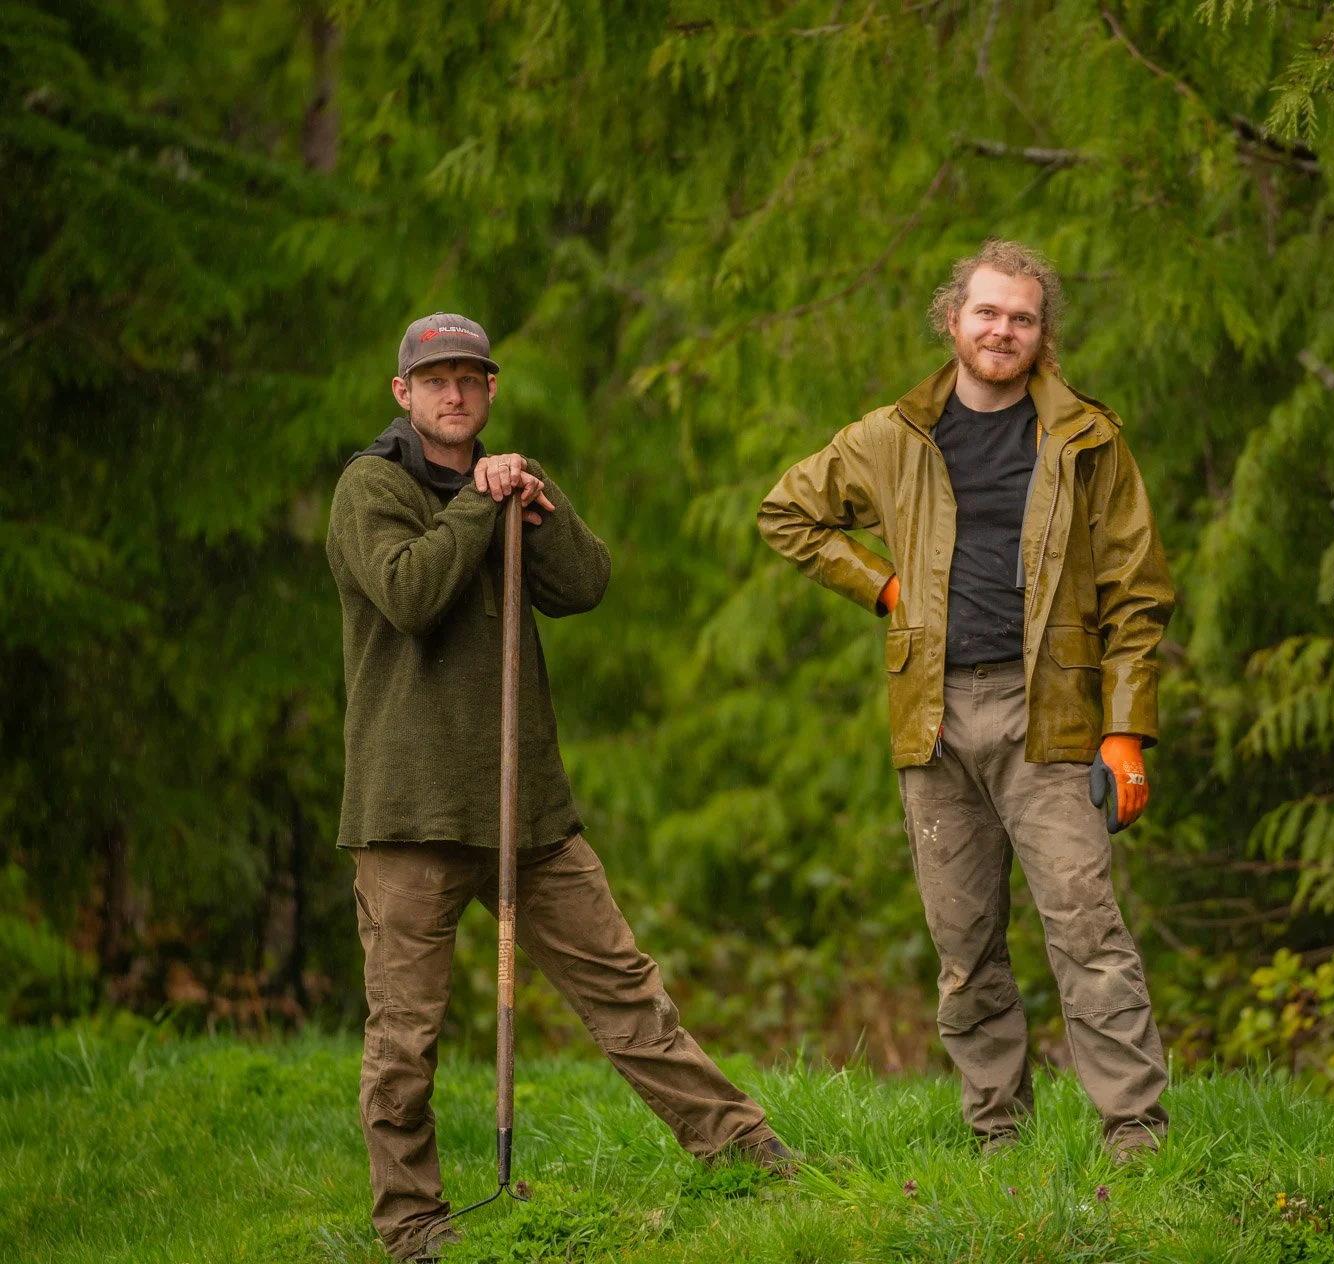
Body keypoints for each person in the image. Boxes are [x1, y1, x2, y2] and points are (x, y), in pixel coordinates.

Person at [328, 314, 791, 1261]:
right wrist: (474, 507)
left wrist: (536, 503)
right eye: (435, 381)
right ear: (403, 394)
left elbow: (584, 584)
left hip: (524, 807)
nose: (454, 396)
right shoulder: (369, 488)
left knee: (627, 993)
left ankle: (745, 1152)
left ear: (491, 391)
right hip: (409, 813)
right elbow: (411, 595)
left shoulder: (508, 487)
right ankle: (413, 1223)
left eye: (470, 380)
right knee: (406, 1040)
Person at [758, 241, 1175, 1162]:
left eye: (1022, 318)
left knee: (1087, 931)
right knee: (965, 945)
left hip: (1053, 720)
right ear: (953, 320)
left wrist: (1125, 728)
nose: (1003, 331)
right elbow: (787, 513)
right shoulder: (890, 436)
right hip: (933, 720)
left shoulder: (1087, 439)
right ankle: (998, 1136)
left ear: (1041, 333)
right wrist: (880, 588)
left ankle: (1136, 1134)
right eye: (988, 313)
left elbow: (1138, 591)